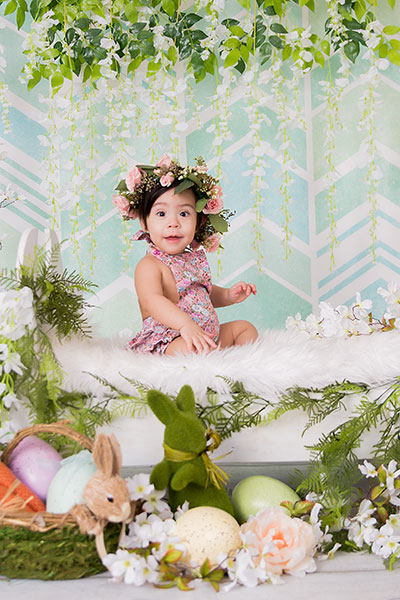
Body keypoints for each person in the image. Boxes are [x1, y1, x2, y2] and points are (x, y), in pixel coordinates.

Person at [112, 154, 258, 356]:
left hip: (206, 335)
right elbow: (152, 300)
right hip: (170, 339)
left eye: (184, 214)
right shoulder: (150, 265)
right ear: (144, 222)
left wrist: (227, 295)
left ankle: (236, 363)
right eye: (161, 214)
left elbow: (201, 293)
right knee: (190, 351)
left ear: (199, 222)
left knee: (244, 328)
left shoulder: (191, 259)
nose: (173, 223)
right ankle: (207, 358)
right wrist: (185, 325)